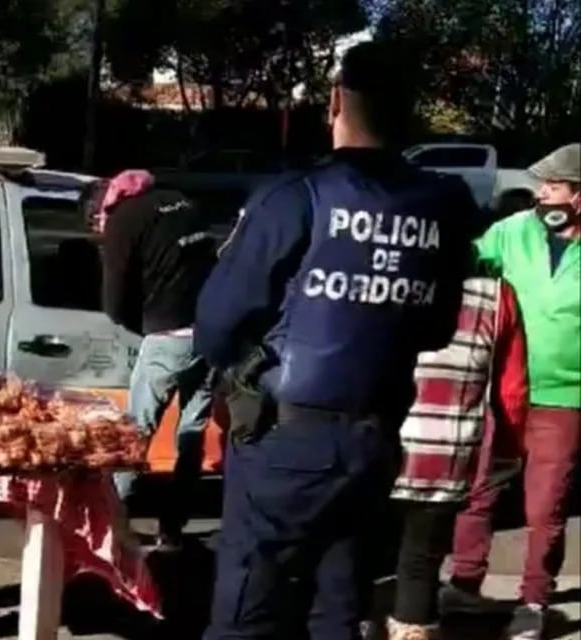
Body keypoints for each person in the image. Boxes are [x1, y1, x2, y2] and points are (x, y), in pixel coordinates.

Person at [194, 41, 477, 640]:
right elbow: (436, 325)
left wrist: (246, 370)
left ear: (333, 103)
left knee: (248, 609)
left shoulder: (296, 196)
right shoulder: (444, 206)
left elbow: (216, 326)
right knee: (338, 607)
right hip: (374, 439)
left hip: (285, 439)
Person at [440, 143, 581, 640]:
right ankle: (463, 583)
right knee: (478, 490)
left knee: (546, 507)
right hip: (504, 385)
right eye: (541, 187)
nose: (543, 195)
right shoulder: (513, 231)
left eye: (555, 187)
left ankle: (535, 600)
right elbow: (466, 266)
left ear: (579, 196)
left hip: (565, 396)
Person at [81, 170, 218, 550]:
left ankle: (111, 525)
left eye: (95, 226)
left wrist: (142, 326)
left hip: (167, 337)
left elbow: (114, 302)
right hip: (209, 332)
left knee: (134, 434)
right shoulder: (179, 199)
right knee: (191, 433)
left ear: (100, 212)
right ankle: (172, 530)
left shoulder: (122, 222)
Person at [387, 272, 528, 640]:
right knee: (420, 562)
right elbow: (511, 389)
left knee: (351, 558)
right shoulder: (495, 295)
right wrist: (508, 450)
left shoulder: (387, 272)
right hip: (443, 453)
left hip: (373, 440)